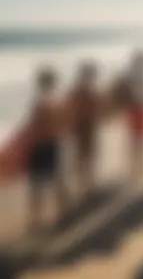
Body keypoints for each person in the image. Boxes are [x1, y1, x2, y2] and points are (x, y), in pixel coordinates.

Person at [26, 66, 68, 232]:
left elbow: (35, 126)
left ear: (42, 82)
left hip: (41, 145)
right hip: (54, 142)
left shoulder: (42, 102)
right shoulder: (57, 99)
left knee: (37, 183)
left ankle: (37, 219)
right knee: (57, 178)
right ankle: (63, 212)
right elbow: (63, 123)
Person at [66, 62, 103, 198]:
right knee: (86, 156)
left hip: (85, 125)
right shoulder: (85, 90)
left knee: (85, 156)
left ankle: (86, 185)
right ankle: (86, 185)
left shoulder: (81, 89)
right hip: (84, 126)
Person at [123, 50, 143, 187]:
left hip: (135, 109)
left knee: (136, 139)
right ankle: (138, 168)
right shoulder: (138, 73)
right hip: (138, 109)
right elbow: (141, 93)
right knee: (138, 139)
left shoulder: (133, 72)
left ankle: (137, 167)